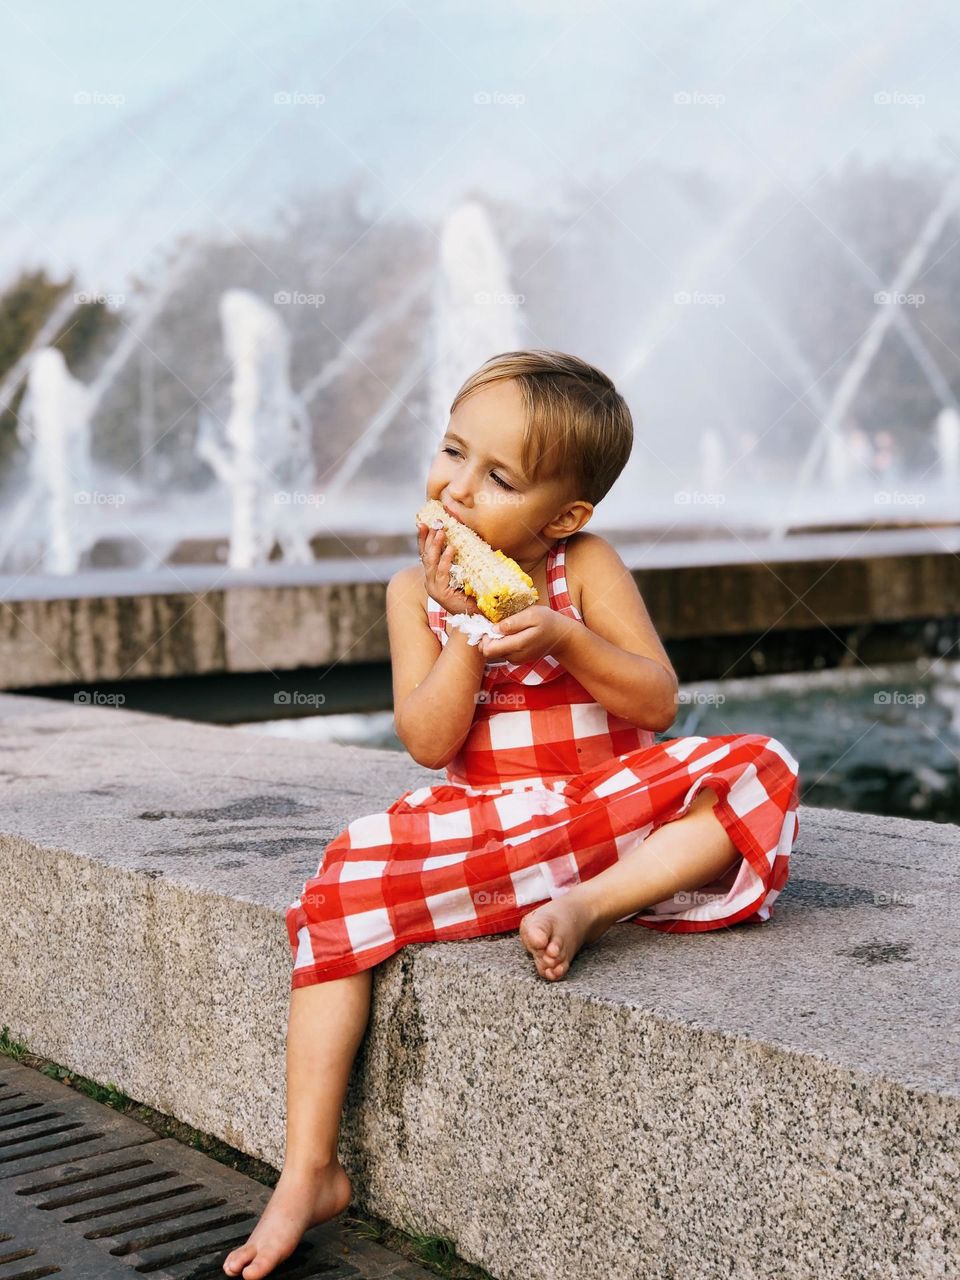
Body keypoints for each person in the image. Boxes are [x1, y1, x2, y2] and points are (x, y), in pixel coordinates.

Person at [223, 349, 801, 1278]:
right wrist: (468, 640)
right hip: (491, 826)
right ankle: (309, 1167)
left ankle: (593, 907)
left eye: (498, 478)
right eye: (452, 453)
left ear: (563, 516)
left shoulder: (586, 565)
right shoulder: (414, 592)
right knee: (338, 886)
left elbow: (655, 704)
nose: (456, 488)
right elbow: (426, 738)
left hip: (604, 819)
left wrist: (567, 636)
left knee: (761, 767)